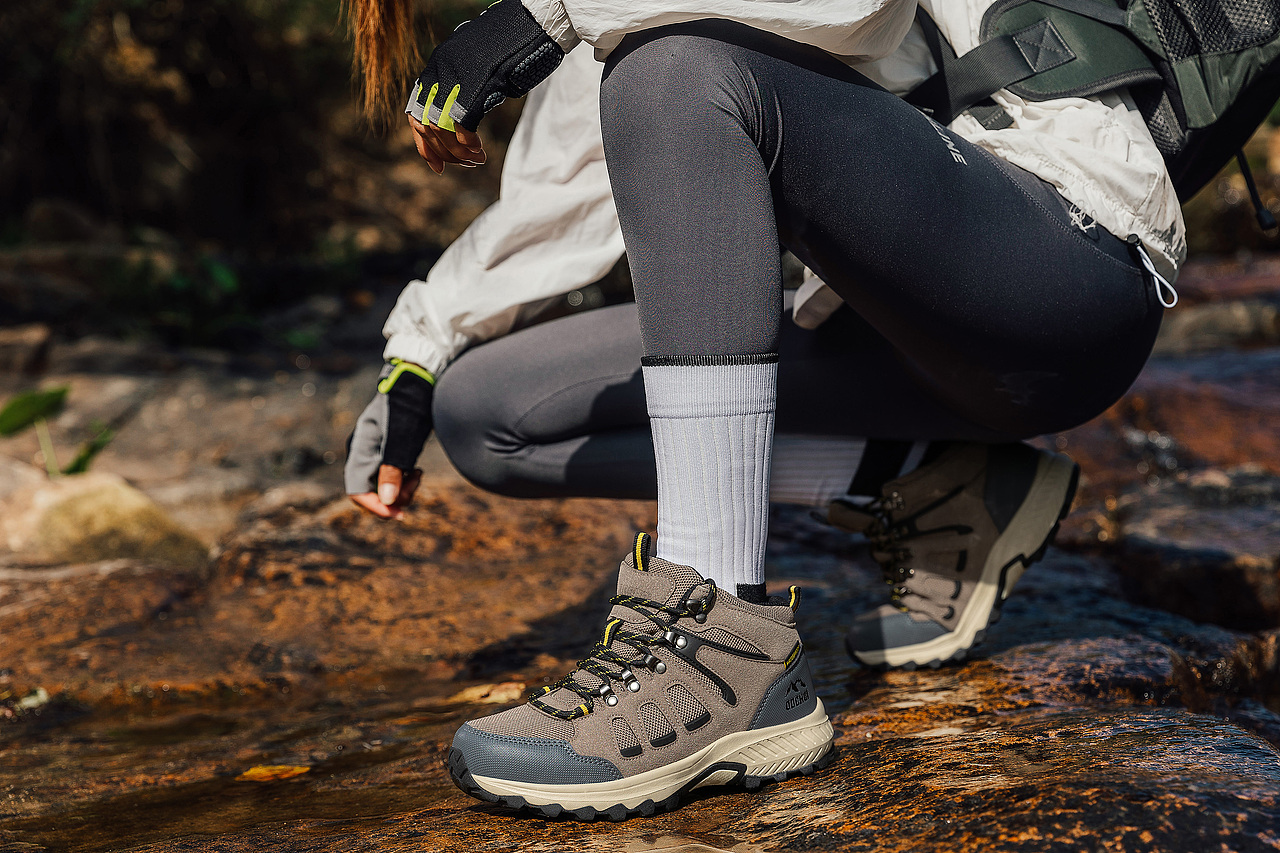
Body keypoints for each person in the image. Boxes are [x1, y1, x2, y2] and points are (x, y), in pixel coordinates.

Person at [343, 0, 1184, 819]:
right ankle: (932, 483)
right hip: (894, 330)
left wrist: (543, 15)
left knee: (671, 71)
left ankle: (719, 647)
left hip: (1062, 259)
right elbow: (566, 187)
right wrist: (418, 351)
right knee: (486, 412)